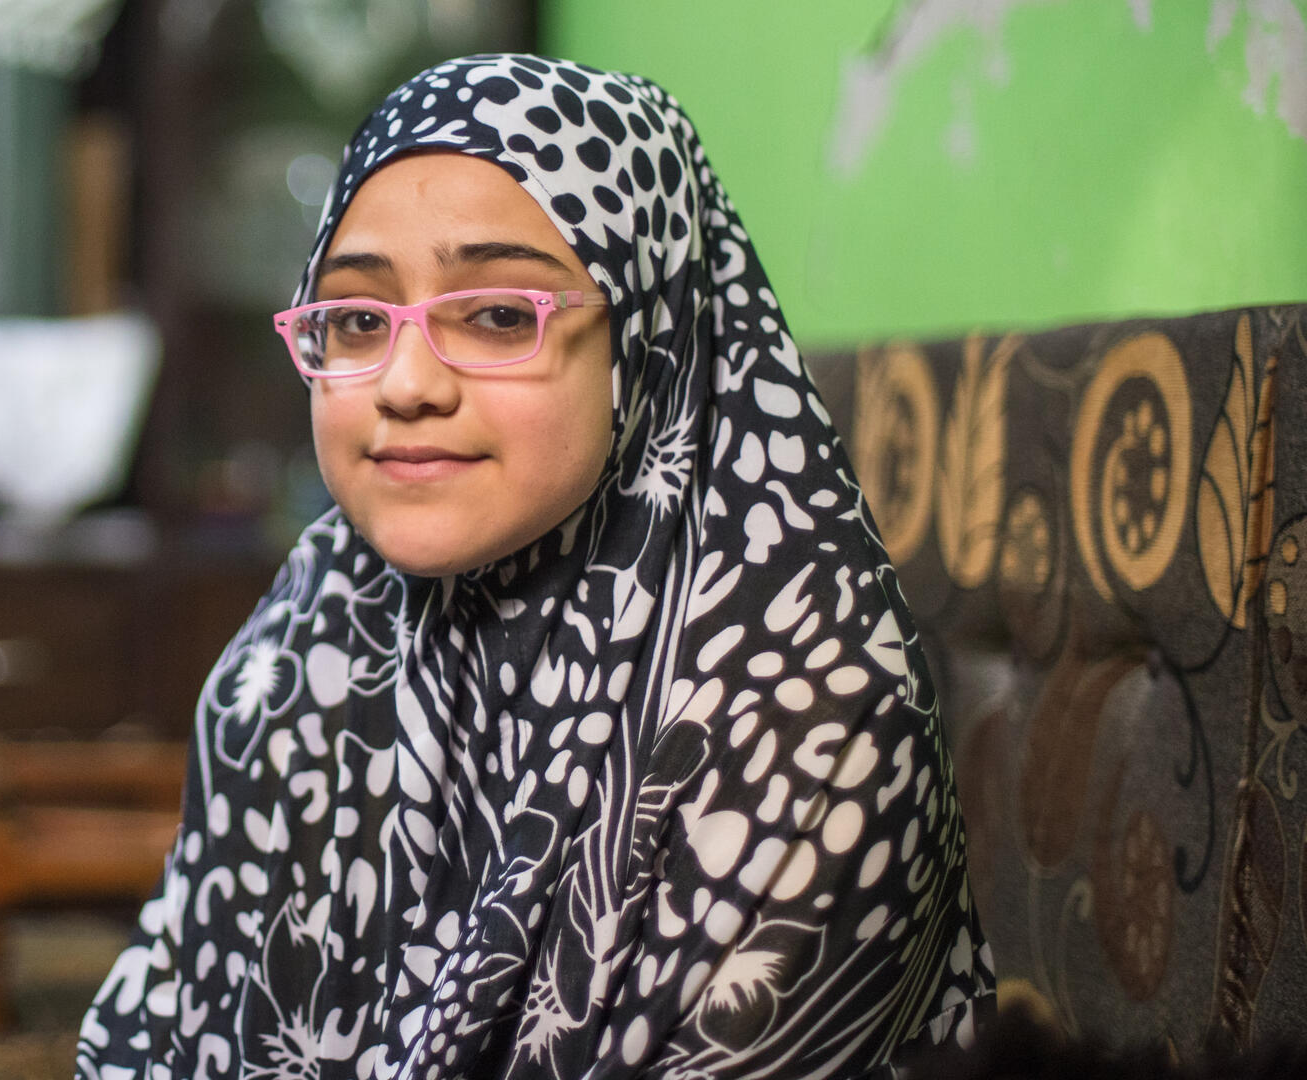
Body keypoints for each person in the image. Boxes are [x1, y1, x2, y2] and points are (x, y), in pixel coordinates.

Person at [79, 54, 992, 1080]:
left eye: (501, 315)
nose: (406, 383)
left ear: (647, 337)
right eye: (359, 319)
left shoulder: (810, 727)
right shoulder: (309, 637)